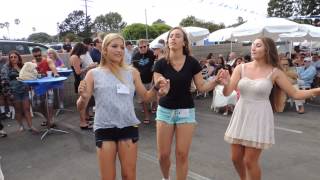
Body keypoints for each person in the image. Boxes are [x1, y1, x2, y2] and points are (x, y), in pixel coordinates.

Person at [219, 37, 320, 180]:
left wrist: (317, 91)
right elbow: (227, 92)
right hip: (241, 114)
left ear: (267, 49)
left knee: (249, 161)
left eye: (258, 45)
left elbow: (295, 93)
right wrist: (225, 83)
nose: (253, 48)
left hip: (260, 116)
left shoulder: (275, 72)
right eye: (252, 45)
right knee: (235, 158)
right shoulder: (240, 68)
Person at [76, 33, 169, 180]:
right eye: (114, 46)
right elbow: (80, 108)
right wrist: (83, 97)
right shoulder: (93, 74)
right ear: (105, 49)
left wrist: (157, 89)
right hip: (104, 128)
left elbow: (145, 97)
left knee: (129, 176)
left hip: (128, 126)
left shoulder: (132, 72)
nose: (119, 50)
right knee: (108, 177)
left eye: (122, 47)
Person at [153, 27, 220, 180]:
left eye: (177, 36)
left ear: (184, 42)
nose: (173, 38)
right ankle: (166, 178)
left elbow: (201, 87)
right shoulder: (160, 64)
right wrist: (162, 89)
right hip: (165, 111)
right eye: (171, 36)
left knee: (182, 154)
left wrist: (215, 81)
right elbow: (158, 87)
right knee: (163, 155)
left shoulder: (192, 63)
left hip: (186, 111)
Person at [1, 51, 38, 133]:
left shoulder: (23, 66)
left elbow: (30, 76)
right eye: (11, 57)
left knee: (27, 109)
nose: (13, 58)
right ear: (9, 59)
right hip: (14, 92)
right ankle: (21, 126)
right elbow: (4, 81)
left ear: (18, 58)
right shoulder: (6, 67)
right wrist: (9, 94)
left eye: (15, 57)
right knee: (18, 110)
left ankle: (31, 126)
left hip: (24, 90)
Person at [69, 43, 96, 129]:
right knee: (82, 104)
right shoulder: (75, 57)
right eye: (84, 51)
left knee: (85, 102)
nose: (84, 53)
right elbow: (78, 72)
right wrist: (89, 67)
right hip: (79, 81)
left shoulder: (74, 56)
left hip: (80, 80)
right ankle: (83, 123)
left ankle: (86, 117)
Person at [31, 47, 59, 127]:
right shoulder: (32, 62)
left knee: (49, 104)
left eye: (39, 55)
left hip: (47, 85)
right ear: (33, 55)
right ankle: (48, 119)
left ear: (41, 54)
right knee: (38, 105)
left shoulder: (47, 60)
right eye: (35, 56)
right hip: (37, 87)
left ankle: (50, 121)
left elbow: (53, 67)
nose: (37, 57)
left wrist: (55, 73)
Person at [132, 39, 156, 124]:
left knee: (154, 97)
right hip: (141, 81)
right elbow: (134, 69)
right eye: (140, 47)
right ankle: (147, 116)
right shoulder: (135, 56)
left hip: (152, 80)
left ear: (147, 46)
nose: (142, 48)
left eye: (144, 46)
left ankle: (153, 107)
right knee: (143, 100)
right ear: (138, 47)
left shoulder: (152, 54)